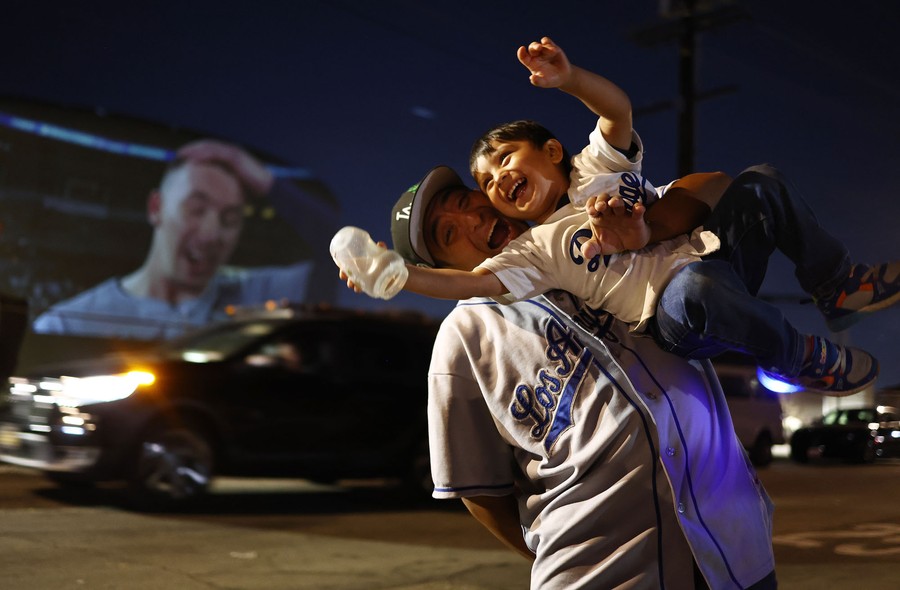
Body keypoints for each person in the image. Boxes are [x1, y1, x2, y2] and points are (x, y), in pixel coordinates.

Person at [341, 37, 899, 396]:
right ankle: (800, 357)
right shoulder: (532, 254)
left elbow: (619, 112)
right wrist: (395, 275)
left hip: (714, 257)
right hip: (676, 309)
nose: (494, 186)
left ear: (553, 152)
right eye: (486, 182)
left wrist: (569, 79)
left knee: (763, 182)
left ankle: (839, 284)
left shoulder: (595, 171)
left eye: (496, 173)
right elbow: (470, 281)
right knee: (696, 289)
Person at [380, 164, 779, 589]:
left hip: (735, 547)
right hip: (602, 571)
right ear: (441, 268)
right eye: (447, 234)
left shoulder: (592, 235)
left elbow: (713, 185)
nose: (472, 220)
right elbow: (477, 490)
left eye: (463, 202)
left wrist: (649, 228)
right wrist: (561, 553)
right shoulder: (463, 337)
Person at [33, 140, 340, 340]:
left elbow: (345, 248)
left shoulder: (258, 294)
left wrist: (264, 180)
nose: (211, 234)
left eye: (230, 219)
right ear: (156, 209)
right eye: (196, 209)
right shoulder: (68, 324)